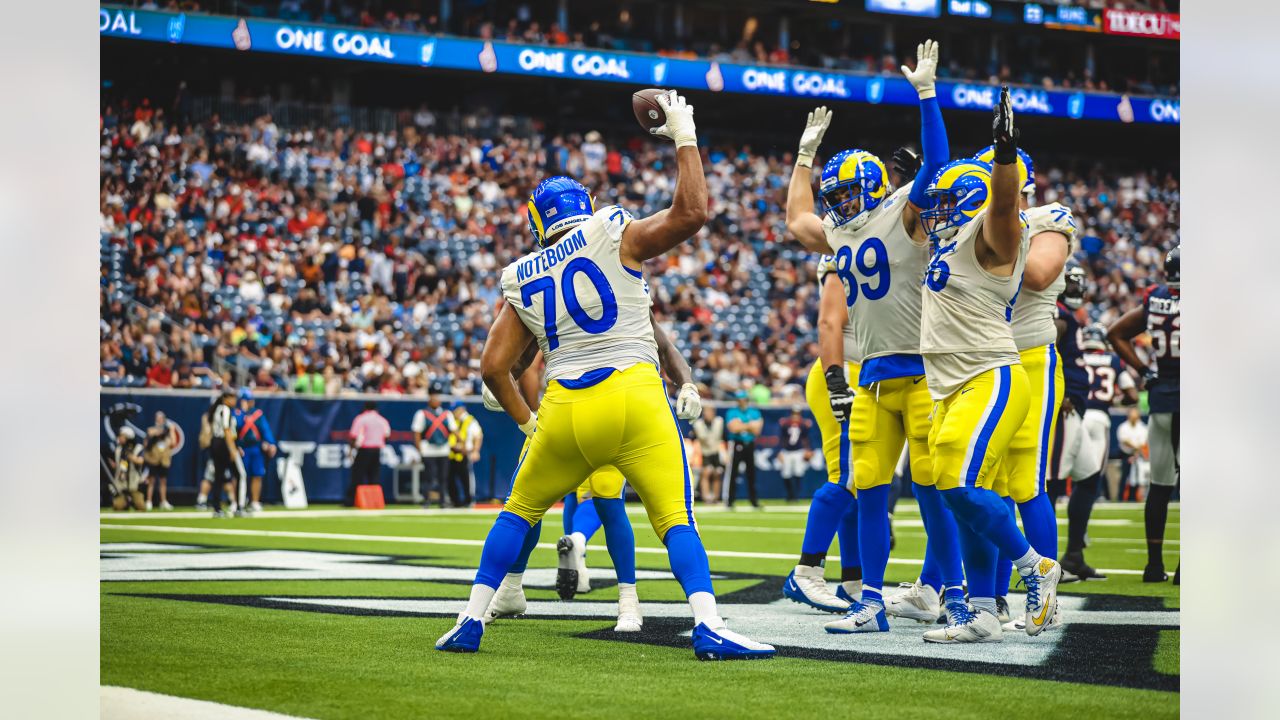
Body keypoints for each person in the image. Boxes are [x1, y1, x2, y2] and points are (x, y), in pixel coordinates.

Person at [437, 91, 774, 659]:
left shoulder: (522, 273)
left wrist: (528, 423)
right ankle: (708, 623)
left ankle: (471, 619)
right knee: (675, 519)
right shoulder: (612, 230)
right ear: (585, 205)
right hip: (636, 396)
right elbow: (692, 213)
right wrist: (685, 138)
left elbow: (493, 367)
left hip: (566, 404)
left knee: (518, 512)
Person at [784, 40, 967, 635]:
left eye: (842, 194)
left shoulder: (902, 213)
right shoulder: (841, 236)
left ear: (868, 186)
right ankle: (870, 600)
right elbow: (795, 218)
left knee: (935, 489)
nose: (834, 205)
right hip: (873, 379)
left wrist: (927, 95)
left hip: (922, 369)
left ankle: (956, 598)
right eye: (831, 197)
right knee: (867, 490)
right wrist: (805, 158)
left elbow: (937, 165)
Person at [915, 87, 1063, 643]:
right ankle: (981, 611)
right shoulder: (950, 242)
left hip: (989, 374)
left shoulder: (993, 234)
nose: (940, 215)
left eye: (951, 205)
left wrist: (1004, 156)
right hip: (951, 384)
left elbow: (1002, 208)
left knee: (960, 485)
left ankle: (1036, 567)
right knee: (958, 493)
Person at [483, 309, 700, 632]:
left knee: (607, 501)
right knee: (525, 502)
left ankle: (628, 598)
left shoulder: (621, 277)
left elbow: (662, 343)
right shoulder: (552, 280)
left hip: (617, 403)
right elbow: (525, 348)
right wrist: (504, 376)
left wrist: (687, 383)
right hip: (563, 408)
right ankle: (513, 585)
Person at [970, 142, 1074, 629]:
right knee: (979, 484)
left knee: (1026, 483)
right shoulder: (972, 223)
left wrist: (998, 229)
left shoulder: (1048, 220)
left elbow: (1037, 274)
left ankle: (1044, 601)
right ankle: (987, 602)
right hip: (982, 360)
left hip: (1030, 358)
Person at [781, 254, 863, 613]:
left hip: (868, 369)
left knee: (862, 483)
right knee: (846, 476)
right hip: (845, 371)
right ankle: (807, 570)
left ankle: (853, 581)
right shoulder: (848, 250)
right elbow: (830, 322)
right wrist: (837, 381)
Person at [1109, 245, 1180, 584]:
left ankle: (1154, 565)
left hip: (1163, 397)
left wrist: (1144, 371)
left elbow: (1115, 333)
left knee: (1160, 485)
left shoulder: (1156, 299)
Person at [1059, 324, 1139, 579]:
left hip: (1071, 414)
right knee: (1090, 482)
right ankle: (1073, 551)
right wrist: (1115, 401)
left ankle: (1057, 554)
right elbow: (1132, 395)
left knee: (1054, 480)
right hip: (1098, 419)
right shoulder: (1113, 360)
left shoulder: (1076, 354)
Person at [1047, 266, 1091, 508]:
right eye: (1072, 284)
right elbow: (1049, 348)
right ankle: (1042, 543)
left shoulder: (1068, 314)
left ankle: (1075, 546)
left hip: (1074, 404)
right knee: (1052, 477)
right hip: (1065, 403)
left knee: (1090, 474)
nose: (1077, 290)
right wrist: (1059, 393)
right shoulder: (1059, 313)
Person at [233, 388, 277, 514]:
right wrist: (243, 412)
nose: (250, 402)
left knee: (257, 475)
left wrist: (271, 443)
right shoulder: (236, 413)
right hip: (242, 448)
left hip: (255, 448)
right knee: (239, 476)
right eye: (247, 400)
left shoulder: (257, 414)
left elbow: (265, 429)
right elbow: (236, 428)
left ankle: (255, 501)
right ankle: (237, 501)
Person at [412, 383, 456, 507]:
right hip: (428, 449)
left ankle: (443, 500)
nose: (436, 399)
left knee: (443, 477)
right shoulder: (422, 414)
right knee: (428, 477)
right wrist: (419, 449)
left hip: (443, 449)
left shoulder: (447, 414)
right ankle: (426, 499)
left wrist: (460, 443)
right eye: (434, 396)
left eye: (438, 396)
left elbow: (454, 430)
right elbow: (417, 432)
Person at [723, 391, 763, 509]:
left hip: (749, 443)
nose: (742, 402)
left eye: (744, 399)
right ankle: (730, 500)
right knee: (733, 473)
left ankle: (753, 500)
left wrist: (741, 425)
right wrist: (749, 425)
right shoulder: (732, 412)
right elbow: (733, 428)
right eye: (740, 399)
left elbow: (757, 430)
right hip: (736, 443)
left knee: (751, 473)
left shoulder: (754, 412)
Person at [347, 400, 390, 506]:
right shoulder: (381, 420)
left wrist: (351, 450)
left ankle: (351, 501)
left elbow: (353, 435)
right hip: (376, 450)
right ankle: (374, 502)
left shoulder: (361, 419)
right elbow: (387, 435)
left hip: (364, 449)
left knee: (357, 476)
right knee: (374, 477)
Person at [206, 390, 240, 518]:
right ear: (226, 398)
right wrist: (232, 449)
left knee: (219, 477)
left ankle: (217, 507)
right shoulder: (225, 409)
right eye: (233, 398)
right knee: (237, 474)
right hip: (223, 443)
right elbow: (226, 430)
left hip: (215, 443)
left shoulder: (217, 408)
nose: (235, 401)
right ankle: (237, 505)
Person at [446, 401, 482, 508]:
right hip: (452, 453)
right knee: (450, 478)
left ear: (461, 409)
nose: (453, 413)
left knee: (466, 478)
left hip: (465, 453)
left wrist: (475, 450)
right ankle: (455, 501)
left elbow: (478, 436)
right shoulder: (453, 420)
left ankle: (469, 500)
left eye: (455, 410)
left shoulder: (470, 421)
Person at [776, 407, 813, 502]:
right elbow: (781, 438)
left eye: (797, 414)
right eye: (794, 414)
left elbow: (806, 438)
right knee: (786, 474)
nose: (795, 416)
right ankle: (790, 494)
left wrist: (808, 450)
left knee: (798, 472)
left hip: (798, 451)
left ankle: (796, 495)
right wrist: (779, 451)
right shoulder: (785, 424)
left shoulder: (803, 425)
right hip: (787, 451)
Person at [143, 411, 176, 511]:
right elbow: (145, 444)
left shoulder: (168, 432)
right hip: (153, 459)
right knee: (151, 480)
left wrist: (172, 431)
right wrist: (155, 435)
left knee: (163, 481)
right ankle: (149, 501)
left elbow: (173, 443)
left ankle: (163, 501)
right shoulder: (151, 430)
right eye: (158, 418)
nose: (160, 420)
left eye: (162, 419)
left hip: (164, 460)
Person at [692, 405, 725, 504]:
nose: (708, 414)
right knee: (706, 472)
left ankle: (716, 497)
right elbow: (703, 439)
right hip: (705, 452)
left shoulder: (719, 422)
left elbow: (719, 437)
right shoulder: (698, 424)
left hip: (716, 452)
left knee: (717, 473)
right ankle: (706, 497)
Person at [1116, 408, 1150, 501]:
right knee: (1125, 476)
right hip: (1126, 454)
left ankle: (1135, 497)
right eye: (1132, 416)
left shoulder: (1143, 427)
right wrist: (1135, 448)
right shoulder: (1123, 427)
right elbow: (1124, 440)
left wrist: (1137, 451)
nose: (1133, 418)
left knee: (1138, 477)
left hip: (1139, 455)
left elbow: (1143, 442)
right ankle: (1120, 498)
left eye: (1135, 416)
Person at [111, 426, 147, 511]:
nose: (119, 438)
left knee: (141, 507)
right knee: (118, 506)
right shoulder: (118, 449)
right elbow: (116, 465)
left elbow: (140, 461)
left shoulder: (138, 448)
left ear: (128, 437)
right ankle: (126, 502)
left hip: (134, 484)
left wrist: (129, 455)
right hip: (121, 485)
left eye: (122, 436)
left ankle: (133, 501)